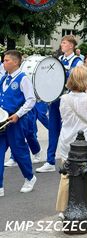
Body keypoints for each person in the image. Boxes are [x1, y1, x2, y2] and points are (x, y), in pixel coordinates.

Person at [56, 66, 87, 217]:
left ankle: (63, 209)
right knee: (85, 177)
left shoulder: (64, 99)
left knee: (65, 176)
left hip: (67, 141)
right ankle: (81, 206)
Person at [36, 35, 83, 173]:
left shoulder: (77, 61)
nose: (61, 45)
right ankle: (50, 161)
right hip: (56, 98)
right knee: (53, 129)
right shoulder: (59, 60)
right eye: (62, 43)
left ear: (71, 46)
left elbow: (76, 80)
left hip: (68, 99)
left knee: (69, 130)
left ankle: (71, 159)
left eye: (64, 43)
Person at [0, 50, 37, 196]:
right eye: (4, 60)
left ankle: (30, 177)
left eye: (7, 60)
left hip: (16, 121)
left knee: (19, 152)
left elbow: (31, 100)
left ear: (16, 62)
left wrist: (18, 114)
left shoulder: (23, 78)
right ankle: (0, 186)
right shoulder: (3, 79)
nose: (4, 62)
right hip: (3, 121)